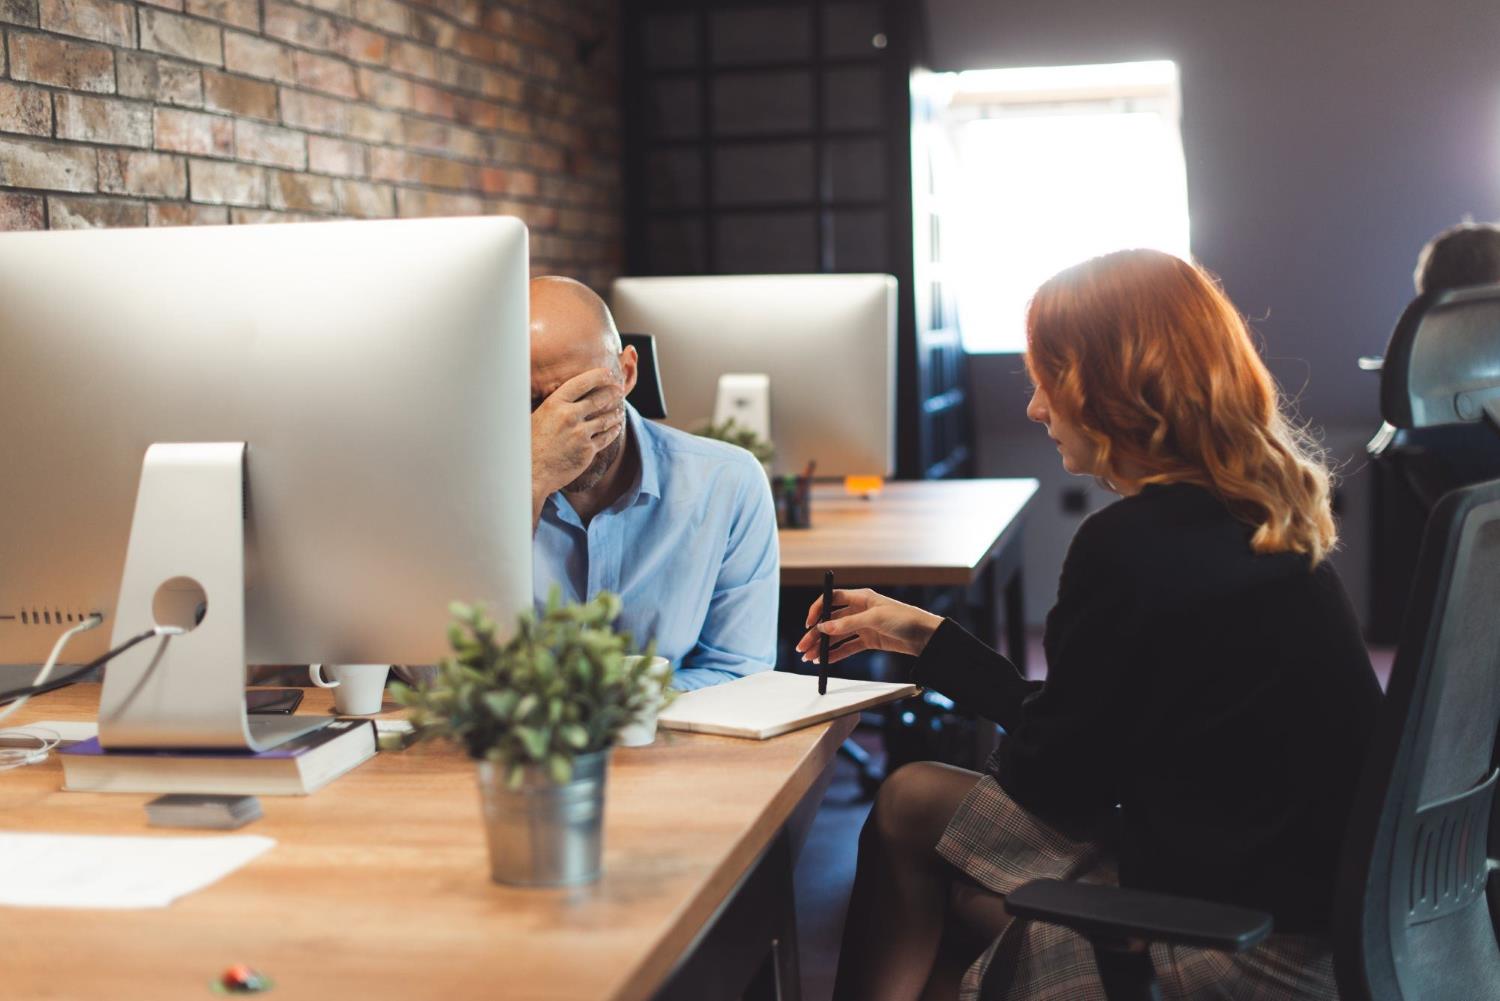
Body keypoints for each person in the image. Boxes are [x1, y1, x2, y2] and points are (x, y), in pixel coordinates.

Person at [798, 249, 1382, 1000]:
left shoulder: (1129, 546)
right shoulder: (1262, 518)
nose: (1037, 408)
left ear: (1107, 385)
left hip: (1246, 943)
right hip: (1324, 918)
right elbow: (1094, 725)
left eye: (1047, 380)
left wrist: (945, 657)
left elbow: (1053, 778)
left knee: (916, 813)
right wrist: (926, 639)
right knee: (933, 849)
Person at [528, 276, 778, 690]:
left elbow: (739, 672)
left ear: (625, 373)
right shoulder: (466, 495)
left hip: (668, 745)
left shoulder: (726, 482)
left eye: (580, 396)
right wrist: (531, 482)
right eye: (535, 405)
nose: (562, 426)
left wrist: (613, 710)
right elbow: (434, 674)